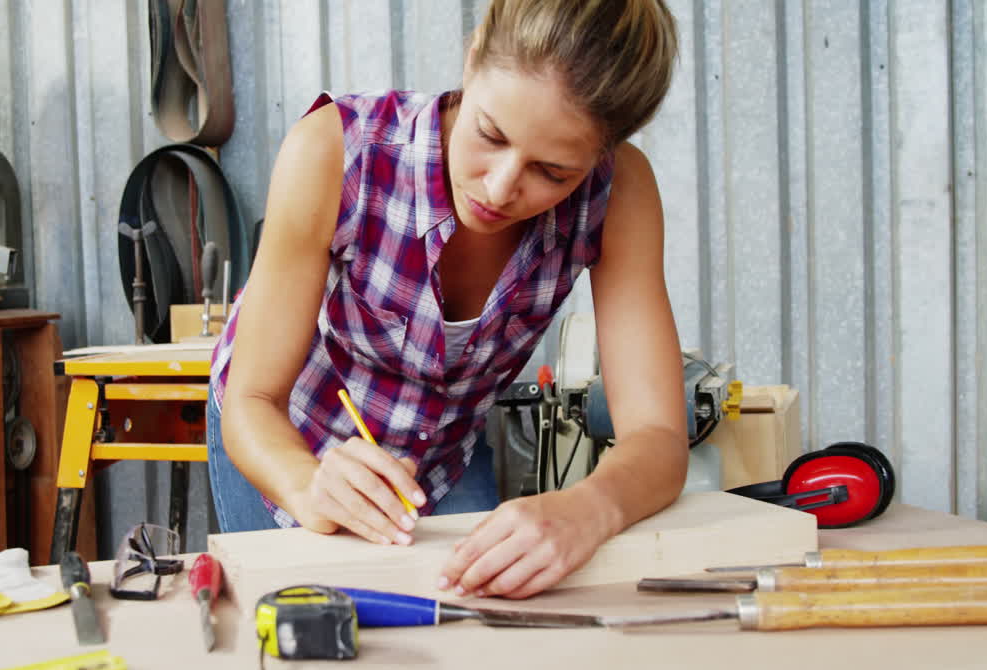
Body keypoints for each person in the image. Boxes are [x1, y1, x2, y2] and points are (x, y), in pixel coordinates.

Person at [207, 0, 687, 600]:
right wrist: (307, 486)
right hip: (288, 440)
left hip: (441, 454)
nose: (500, 187)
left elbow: (659, 436)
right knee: (311, 643)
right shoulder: (336, 150)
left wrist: (589, 509)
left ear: (601, 154)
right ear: (472, 57)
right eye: (490, 133)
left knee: (470, 650)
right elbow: (253, 399)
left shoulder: (620, 195)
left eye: (553, 172)